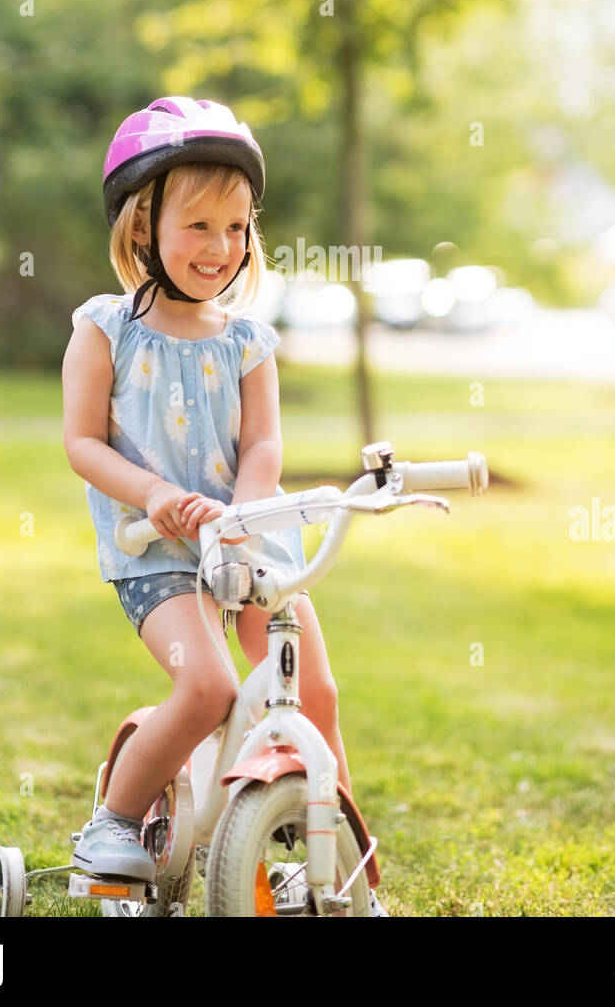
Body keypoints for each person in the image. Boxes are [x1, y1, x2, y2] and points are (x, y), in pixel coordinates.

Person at [61, 96, 387, 916]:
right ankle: (114, 820)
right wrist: (158, 495)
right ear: (143, 227)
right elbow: (82, 443)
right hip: (158, 554)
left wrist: (241, 524)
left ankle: (336, 857)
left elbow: (265, 449)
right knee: (205, 687)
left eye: (238, 228)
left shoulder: (247, 340)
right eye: (199, 226)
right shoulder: (106, 330)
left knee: (315, 691)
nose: (222, 248)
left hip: (248, 543)